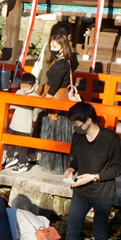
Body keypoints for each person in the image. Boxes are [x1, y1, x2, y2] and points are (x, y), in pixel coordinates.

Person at [56, 102, 121, 240]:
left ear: (89, 120)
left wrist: (94, 177)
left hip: (103, 192)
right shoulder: (78, 137)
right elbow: (76, 158)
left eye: (78, 123)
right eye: (74, 124)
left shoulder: (111, 139)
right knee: (72, 229)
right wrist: (71, 169)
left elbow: (118, 169)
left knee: (99, 230)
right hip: (81, 189)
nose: (75, 127)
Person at [37, 33, 74, 174]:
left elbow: (56, 83)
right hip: (55, 97)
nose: (51, 48)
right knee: (55, 131)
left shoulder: (63, 63)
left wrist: (48, 97)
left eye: (54, 46)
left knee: (54, 131)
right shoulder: (61, 62)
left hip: (55, 98)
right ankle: (52, 163)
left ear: (62, 47)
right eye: (51, 45)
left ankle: (54, 163)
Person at [3, 72, 40, 173]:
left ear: (33, 86)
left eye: (26, 87)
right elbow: (12, 105)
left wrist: (34, 118)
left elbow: (38, 110)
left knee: (22, 146)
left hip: (25, 125)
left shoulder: (36, 96)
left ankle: (22, 163)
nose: (24, 89)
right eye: (22, 86)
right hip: (15, 122)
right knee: (9, 141)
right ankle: (10, 157)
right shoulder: (18, 92)